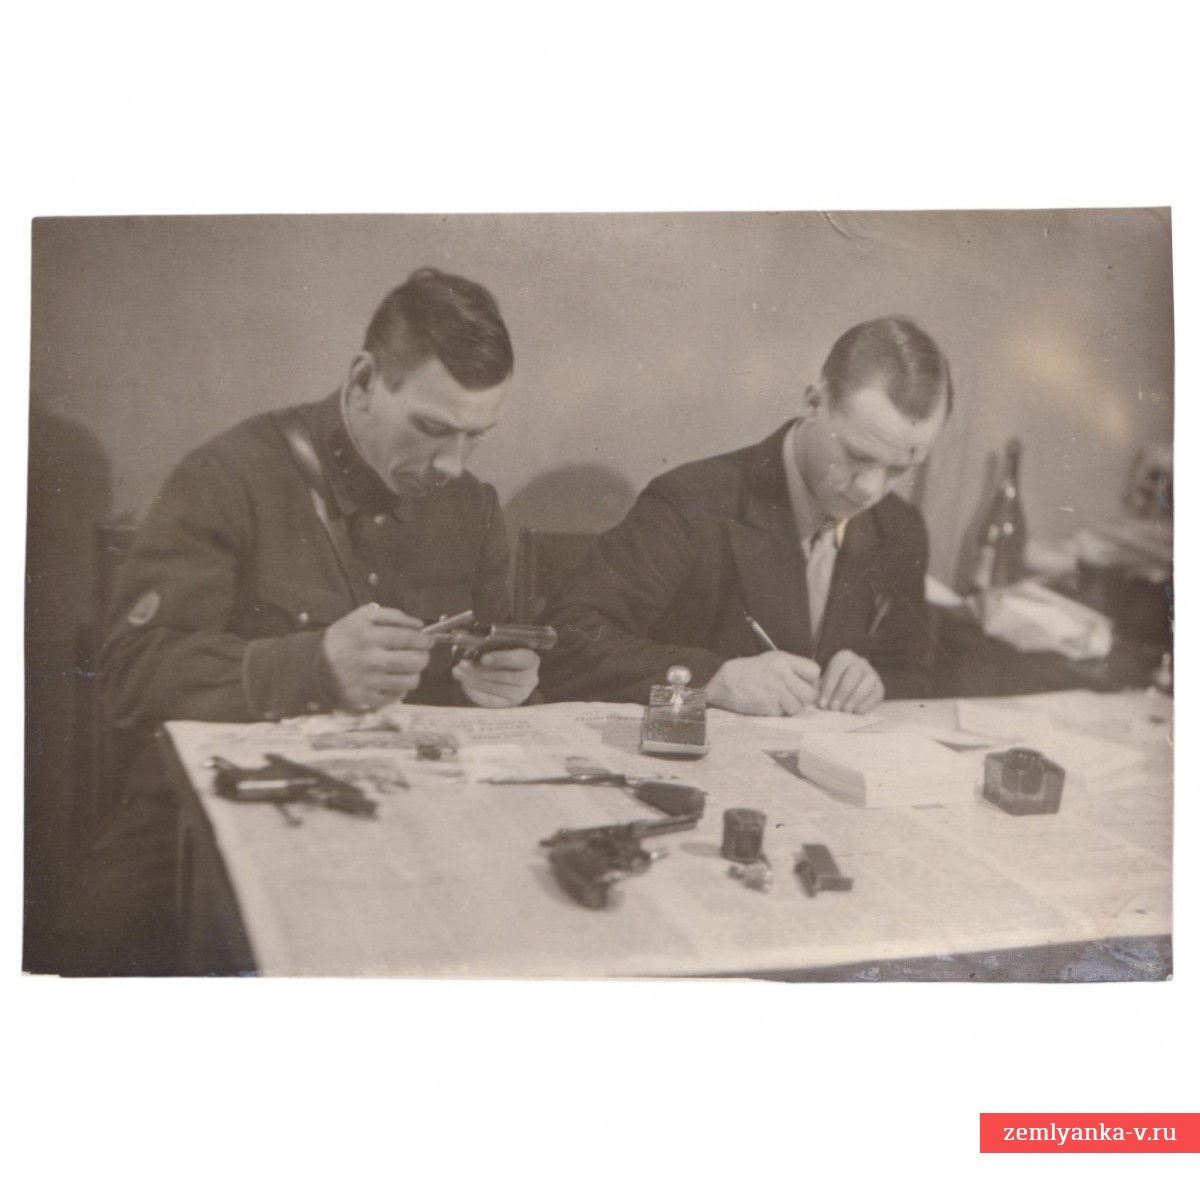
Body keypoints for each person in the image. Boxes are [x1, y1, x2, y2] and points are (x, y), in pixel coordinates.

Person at [55, 268, 537, 974]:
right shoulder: (230, 476)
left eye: (475, 437)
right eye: (432, 429)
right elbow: (129, 674)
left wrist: (499, 680)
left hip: (412, 809)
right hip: (218, 808)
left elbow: (480, 657)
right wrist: (311, 668)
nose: (451, 465)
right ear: (364, 381)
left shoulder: (472, 508)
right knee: (95, 956)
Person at [539, 316, 952, 715]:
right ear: (813, 403)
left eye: (900, 469)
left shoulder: (901, 529)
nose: (870, 490)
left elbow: (911, 676)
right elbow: (565, 643)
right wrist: (712, 681)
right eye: (857, 455)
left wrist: (872, 684)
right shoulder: (693, 501)